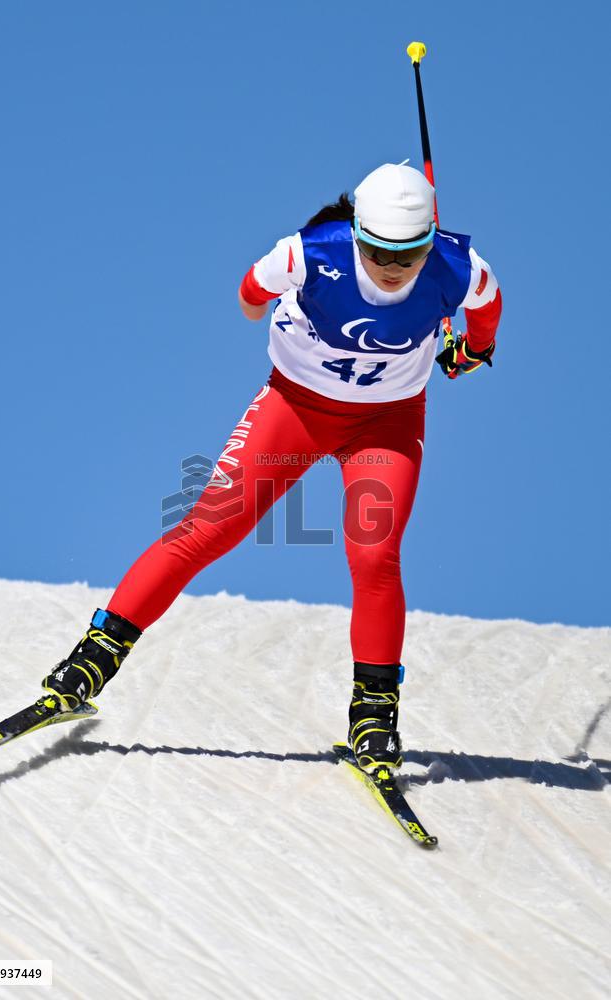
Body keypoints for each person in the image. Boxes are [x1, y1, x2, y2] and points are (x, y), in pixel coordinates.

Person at [40, 163, 502, 776]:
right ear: (356, 234)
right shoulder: (306, 255)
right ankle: (91, 661)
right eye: (376, 252)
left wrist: (472, 349)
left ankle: (373, 715)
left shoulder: (458, 267)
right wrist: (279, 309)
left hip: (385, 426)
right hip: (296, 410)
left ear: (428, 242)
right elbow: (249, 296)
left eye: (408, 255)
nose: (392, 267)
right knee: (207, 528)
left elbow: (487, 309)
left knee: (373, 554)